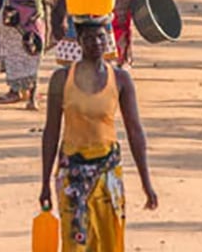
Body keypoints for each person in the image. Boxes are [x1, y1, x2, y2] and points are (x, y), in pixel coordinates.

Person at [40, 16, 159, 250]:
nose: (95, 42)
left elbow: (135, 132)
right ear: (79, 42)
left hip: (108, 172)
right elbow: (51, 132)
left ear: (108, 40)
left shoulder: (121, 79)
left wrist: (147, 182)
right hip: (72, 172)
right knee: (75, 241)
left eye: (100, 37)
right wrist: (45, 182)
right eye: (89, 38)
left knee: (110, 241)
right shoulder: (62, 79)